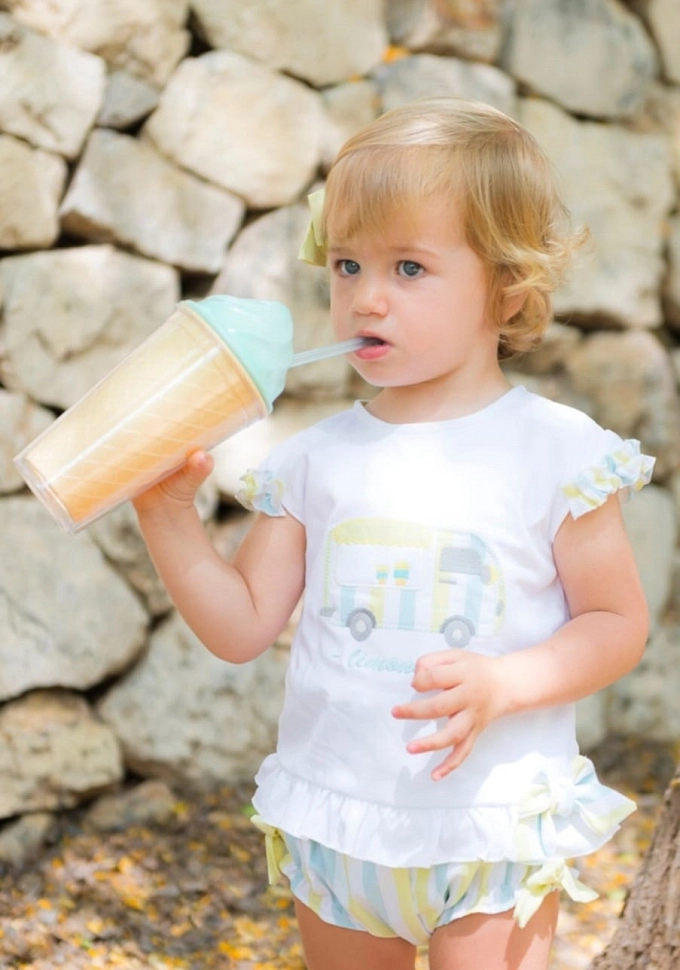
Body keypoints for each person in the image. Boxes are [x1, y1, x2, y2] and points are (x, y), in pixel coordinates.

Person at [133, 98, 654, 970]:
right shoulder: (316, 459)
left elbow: (615, 623)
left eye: (409, 268)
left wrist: (506, 681)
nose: (365, 297)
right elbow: (243, 626)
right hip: (339, 823)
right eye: (346, 265)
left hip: (486, 829)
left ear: (507, 290)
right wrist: (168, 518)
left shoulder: (556, 452)